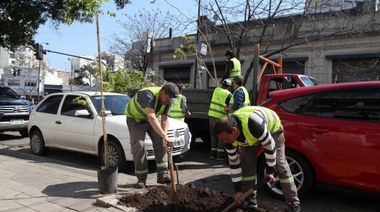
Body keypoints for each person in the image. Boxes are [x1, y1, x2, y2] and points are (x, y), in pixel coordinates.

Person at [214, 106, 301, 212]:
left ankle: (293, 202)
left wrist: (270, 170)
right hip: (250, 137)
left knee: (279, 163)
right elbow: (234, 164)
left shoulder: (253, 124)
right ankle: (250, 200)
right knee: (247, 162)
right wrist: (238, 191)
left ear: (234, 130)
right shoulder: (229, 140)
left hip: (272, 130)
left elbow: (270, 146)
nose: (224, 142)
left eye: (225, 138)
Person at [124, 82, 179, 189]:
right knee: (138, 145)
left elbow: (164, 119)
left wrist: (165, 137)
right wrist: (164, 136)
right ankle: (141, 179)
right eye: (168, 99)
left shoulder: (168, 101)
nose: (168, 102)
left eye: (170, 101)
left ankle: (163, 175)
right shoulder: (148, 94)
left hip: (152, 120)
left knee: (161, 142)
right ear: (163, 92)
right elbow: (151, 116)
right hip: (136, 120)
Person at [208, 79, 232, 160]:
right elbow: (228, 106)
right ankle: (220, 155)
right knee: (221, 136)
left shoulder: (216, 89)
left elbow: (211, 98)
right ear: (229, 86)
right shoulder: (229, 94)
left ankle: (213, 154)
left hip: (211, 115)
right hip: (220, 117)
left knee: (213, 136)